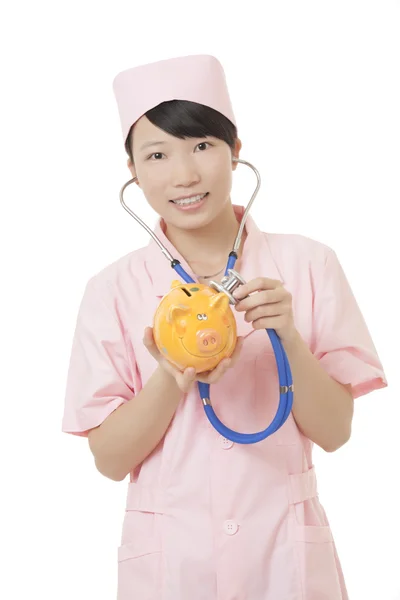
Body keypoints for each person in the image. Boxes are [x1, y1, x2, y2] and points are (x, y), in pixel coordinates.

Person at [61, 55, 387, 599]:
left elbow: (335, 433)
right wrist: (171, 374)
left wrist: (287, 336)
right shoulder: (111, 289)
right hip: (173, 565)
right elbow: (110, 460)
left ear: (236, 153)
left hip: (285, 562)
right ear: (133, 172)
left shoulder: (309, 264)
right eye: (157, 154)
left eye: (203, 146)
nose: (184, 175)